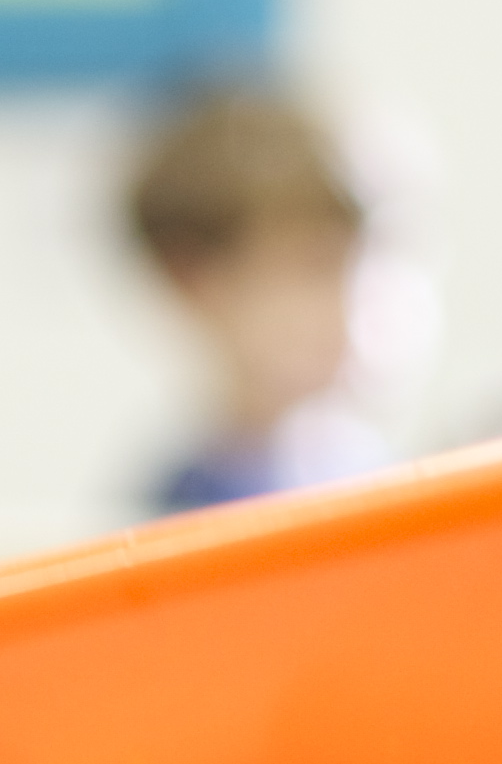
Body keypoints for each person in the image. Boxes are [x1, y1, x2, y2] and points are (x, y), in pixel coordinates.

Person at [124, 83, 388, 515]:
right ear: (194, 279)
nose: (348, 307)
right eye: (312, 269)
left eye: (357, 268)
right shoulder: (184, 510)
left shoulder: (377, 472)